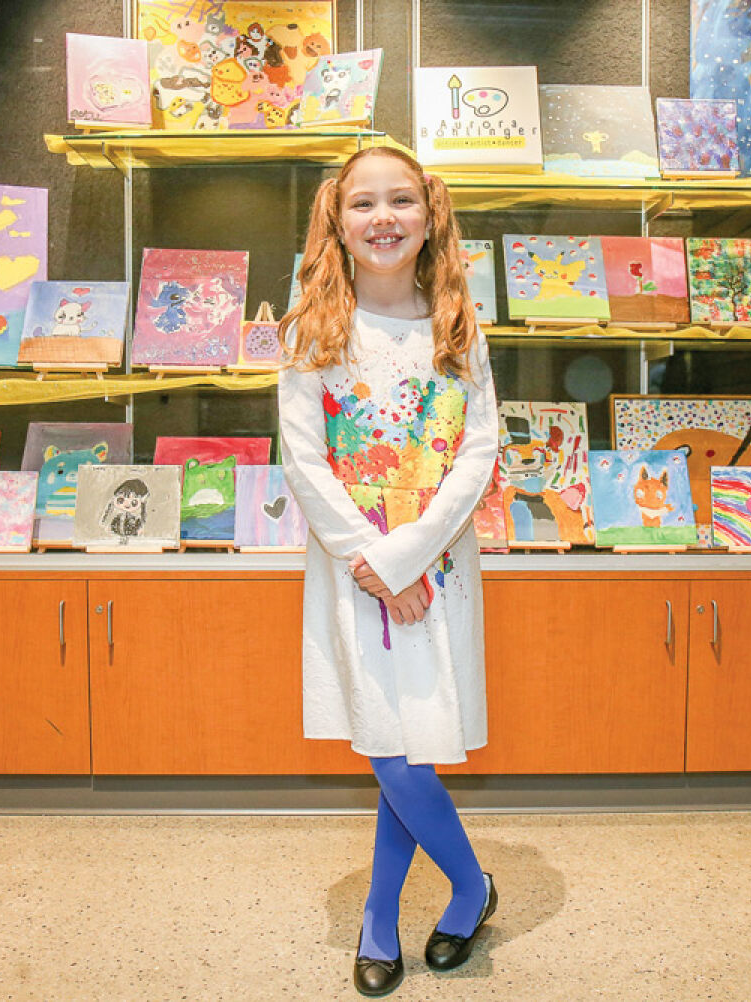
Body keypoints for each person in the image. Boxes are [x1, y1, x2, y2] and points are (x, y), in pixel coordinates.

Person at [278, 146, 500, 997]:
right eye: (364, 203)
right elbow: (304, 462)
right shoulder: (313, 332)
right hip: (352, 571)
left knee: (411, 737)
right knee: (389, 742)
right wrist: (375, 563)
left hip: (438, 572)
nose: (384, 218)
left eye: (401, 200)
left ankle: (382, 913)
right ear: (337, 218)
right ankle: (470, 887)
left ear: (429, 211)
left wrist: (409, 558)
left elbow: (477, 449)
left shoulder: (458, 326)